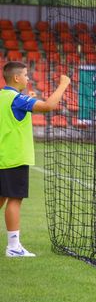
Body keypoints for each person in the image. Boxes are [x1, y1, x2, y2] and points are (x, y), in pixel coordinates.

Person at [1, 61, 70, 257]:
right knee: (14, 199)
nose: (28, 78)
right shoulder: (17, 99)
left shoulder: (4, 96)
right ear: (16, 78)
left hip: (3, 156)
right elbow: (48, 106)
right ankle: (13, 247)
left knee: (2, 197)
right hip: (14, 157)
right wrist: (64, 84)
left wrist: (27, 99)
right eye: (25, 75)